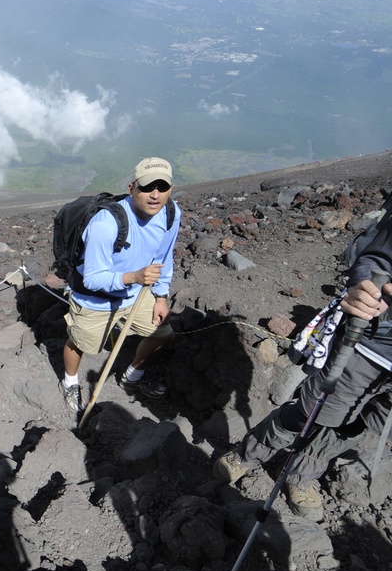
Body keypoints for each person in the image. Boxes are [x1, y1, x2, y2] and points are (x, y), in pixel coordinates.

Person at [213, 216, 392, 521]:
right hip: (374, 344)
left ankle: (302, 475)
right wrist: (363, 286)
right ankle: (250, 453)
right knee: (313, 411)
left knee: (355, 424)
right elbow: (375, 257)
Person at [60, 157, 182, 418]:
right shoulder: (106, 223)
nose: (155, 195)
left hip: (136, 295)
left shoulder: (171, 213)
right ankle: (70, 382)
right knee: (80, 343)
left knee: (162, 334)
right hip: (95, 299)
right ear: (132, 188)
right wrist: (133, 277)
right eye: (148, 187)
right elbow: (92, 278)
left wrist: (160, 296)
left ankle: (132, 376)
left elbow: (163, 257)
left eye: (163, 187)